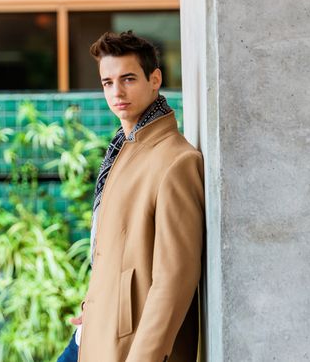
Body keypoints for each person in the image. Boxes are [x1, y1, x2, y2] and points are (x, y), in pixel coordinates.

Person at [57, 30, 204, 362]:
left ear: (155, 79)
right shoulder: (121, 151)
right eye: (107, 82)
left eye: (128, 79)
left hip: (129, 348)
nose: (117, 92)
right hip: (94, 333)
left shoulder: (176, 161)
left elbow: (174, 279)